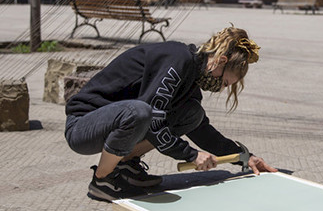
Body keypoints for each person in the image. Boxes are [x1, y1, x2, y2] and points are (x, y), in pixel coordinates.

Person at [65, 24, 278, 201]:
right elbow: (152, 119)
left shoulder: (191, 79)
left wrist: (244, 157)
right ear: (221, 60)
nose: (220, 88)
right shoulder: (179, 60)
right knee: (140, 112)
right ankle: (103, 178)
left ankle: (126, 166)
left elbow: (201, 130)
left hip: (114, 121)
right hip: (84, 125)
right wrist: (192, 155)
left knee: (192, 114)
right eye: (224, 82)